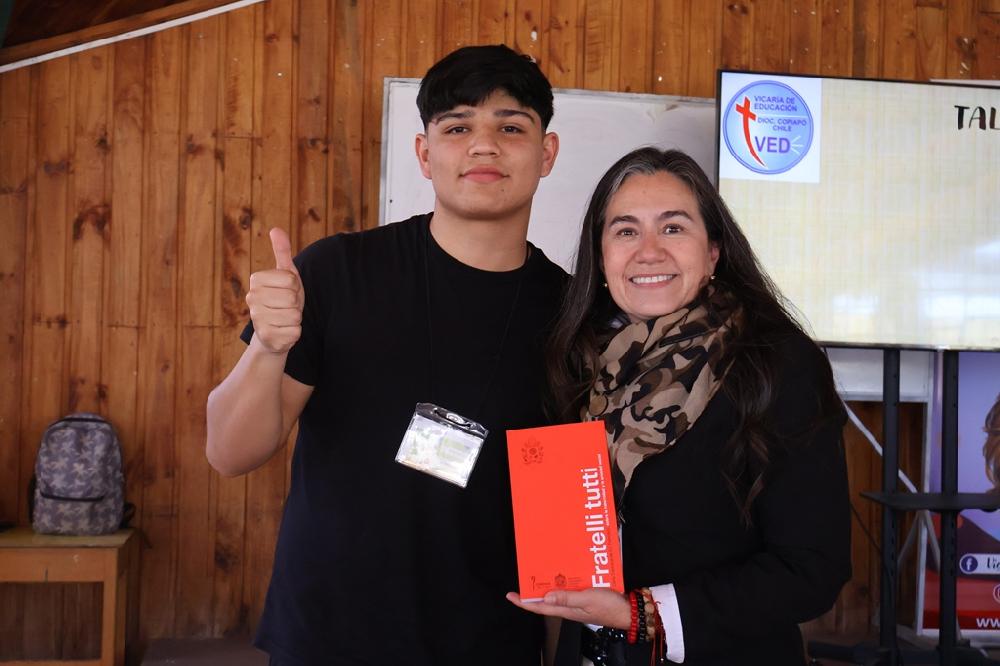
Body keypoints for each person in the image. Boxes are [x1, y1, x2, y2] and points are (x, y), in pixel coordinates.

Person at [206, 44, 565, 665]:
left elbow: (560, 520)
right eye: (457, 128)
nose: (484, 146)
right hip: (328, 637)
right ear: (424, 154)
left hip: (488, 642)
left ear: (547, 153)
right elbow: (228, 453)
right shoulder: (338, 272)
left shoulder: (572, 315)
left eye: (510, 127)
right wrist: (266, 347)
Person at [507, 147, 852, 665]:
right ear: (601, 257)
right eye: (625, 231)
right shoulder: (576, 362)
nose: (648, 251)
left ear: (713, 252)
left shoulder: (776, 363)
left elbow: (812, 569)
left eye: (673, 228)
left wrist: (643, 614)